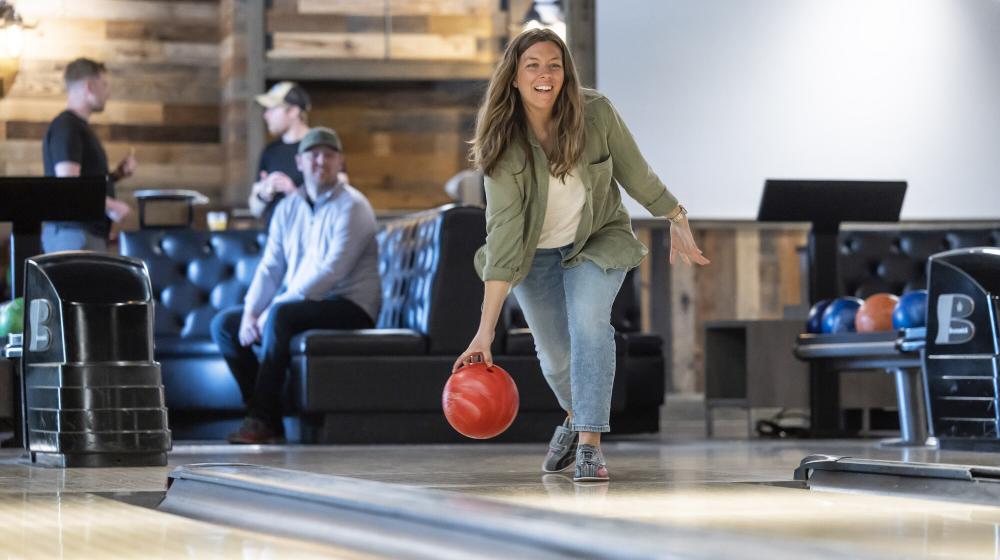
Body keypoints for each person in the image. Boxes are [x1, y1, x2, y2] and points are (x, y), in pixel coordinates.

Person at [453, 29, 709, 483]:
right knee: (554, 355)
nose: (545, 74)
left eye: (554, 64)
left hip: (596, 238)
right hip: (533, 254)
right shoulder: (502, 143)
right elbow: (506, 239)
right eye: (532, 65)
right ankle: (574, 416)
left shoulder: (595, 113)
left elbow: (635, 172)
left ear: (566, 72)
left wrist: (675, 214)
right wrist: (483, 333)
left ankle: (589, 443)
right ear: (514, 76)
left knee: (590, 324)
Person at [211, 127, 381, 444]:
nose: (321, 161)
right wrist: (250, 313)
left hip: (350, 306)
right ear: (299, 162)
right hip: (302, 304)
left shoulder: (354, 206)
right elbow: (271, 266)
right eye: (313, 155)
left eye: (329, 155)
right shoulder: (288, 208)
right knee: (225, 325)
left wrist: (272, 309)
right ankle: (267, 417)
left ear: (340, 162)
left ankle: (260, 419)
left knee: (282, 316)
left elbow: (330, 272)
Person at [42, 57, 135, 252]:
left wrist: (117, 175)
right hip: (73, 234)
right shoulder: (67, 126)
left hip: (82, 233)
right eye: (104, 84)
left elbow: (83, 182)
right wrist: (112, 206)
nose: (107, 92)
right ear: (90, 87)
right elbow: (69, 185)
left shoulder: (76, 127)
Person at [248, 81, 312, 227]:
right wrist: (264, 194)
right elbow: (254, 209)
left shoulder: (319, 148)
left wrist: (293, 192)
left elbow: (338, 199)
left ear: (294, 111)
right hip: (275, 240)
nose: (266, 115)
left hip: (310, 241)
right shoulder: (270, 151)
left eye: (272, 109)